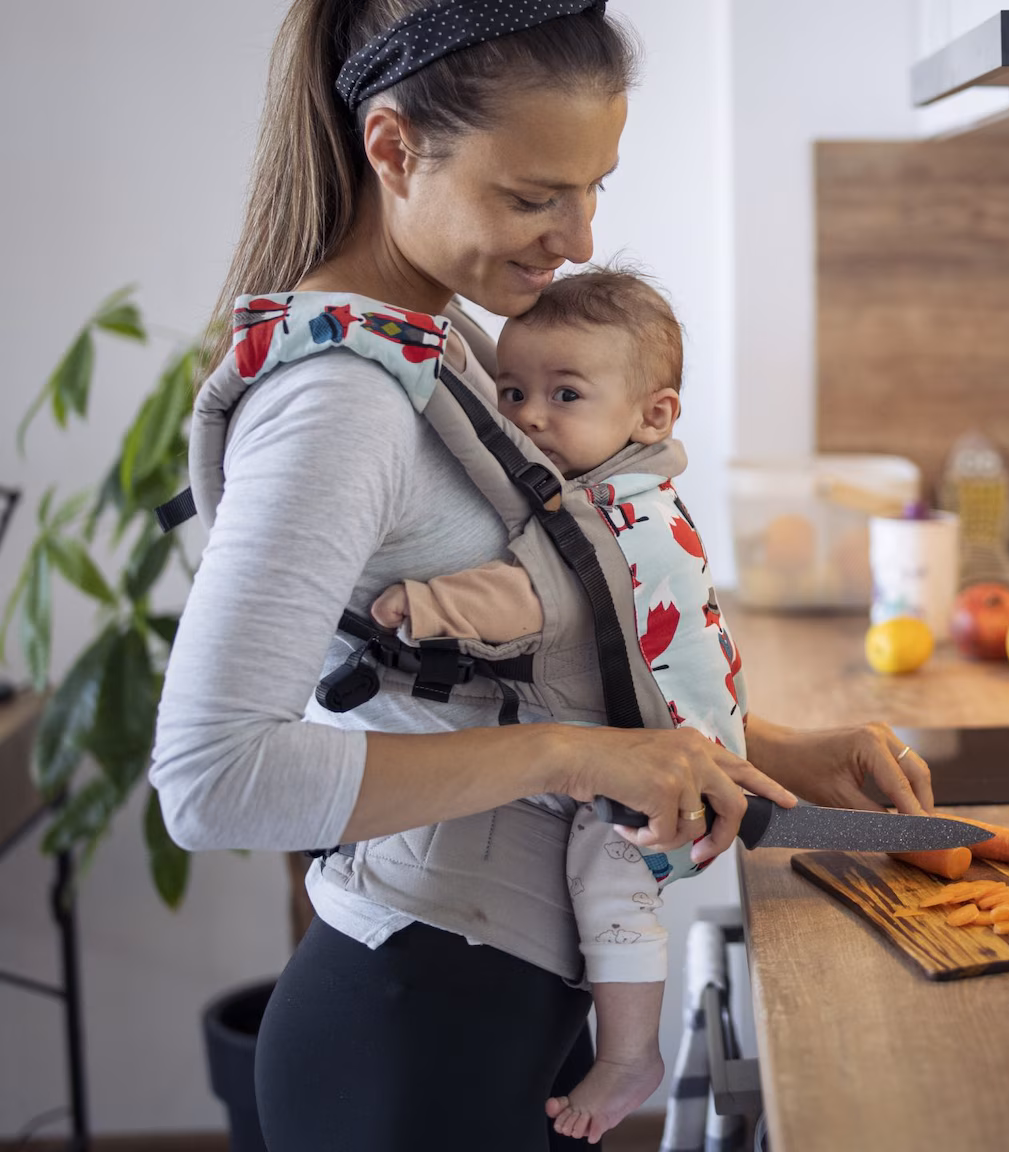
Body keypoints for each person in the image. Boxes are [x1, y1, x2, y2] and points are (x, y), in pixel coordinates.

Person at [148, 3, 933, 1150]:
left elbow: (531, 669)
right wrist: (582, 756)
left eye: (593, 186)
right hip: (406, 1040)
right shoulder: (340, 403)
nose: (574, 236)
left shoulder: (452, 345)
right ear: (393, 147)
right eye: (532, 197)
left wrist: (762, 748)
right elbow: (209, 779)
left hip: (495, 1008)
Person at [367, 265, 739, 1143]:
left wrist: (422, 604)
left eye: (565, 393)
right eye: (514, 390)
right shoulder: (632, 487)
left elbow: (533, 596)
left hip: (667, 766)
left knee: (606, 875)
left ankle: (631, 1053)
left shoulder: (618, 515)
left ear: (653, 414)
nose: (530, 415)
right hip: (683, 733)